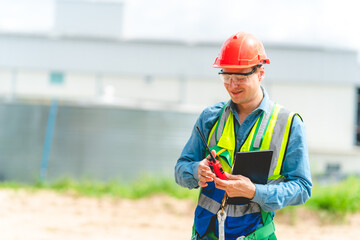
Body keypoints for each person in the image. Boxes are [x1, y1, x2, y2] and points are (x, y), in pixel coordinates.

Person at [175, 32, 312, 240]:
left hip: (255, 234)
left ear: (260, 73)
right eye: (226, 77)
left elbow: (302, 188)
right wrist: (196, 171)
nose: (232, 85)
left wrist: (254, 192)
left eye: (240, 78)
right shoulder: (209, 118)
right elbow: (180, 169)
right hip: (206, 234)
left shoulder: (288, 124)